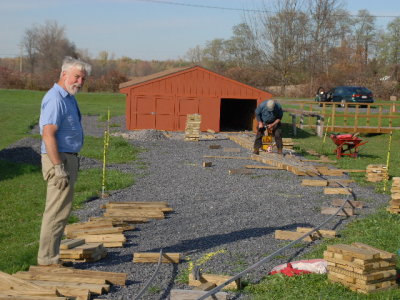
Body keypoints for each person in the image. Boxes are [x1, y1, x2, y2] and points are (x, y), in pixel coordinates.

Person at [37, 56, 91, 266]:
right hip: (58, 160)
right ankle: (47, 262)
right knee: (56, 212)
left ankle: (51, 257)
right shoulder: (55, 99)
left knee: (62, 211)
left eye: (83, 78)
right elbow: (48, 134)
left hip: (68, 159)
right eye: (77, 76)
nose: (80, 82)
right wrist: (58, 167)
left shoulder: (68, 97)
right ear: (64, 74)